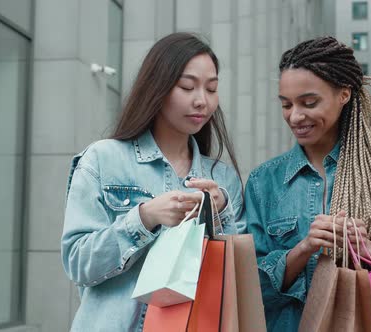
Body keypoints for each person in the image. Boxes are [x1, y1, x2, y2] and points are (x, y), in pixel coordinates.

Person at [243, 36, 371, 332]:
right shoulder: (263, 181)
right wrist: (304, 248)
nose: (295, 116)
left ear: (344, 94)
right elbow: (249, 289)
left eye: (309, 102)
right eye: (286, 105)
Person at [61, 32, 243, 331]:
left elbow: (237, 278)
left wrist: (219, 213)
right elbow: (78, 263)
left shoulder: (222, 179)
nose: (202, 101)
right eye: (187, 86)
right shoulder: (103, 160)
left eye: (211, 89)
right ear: (156, 88)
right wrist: (143, 219)